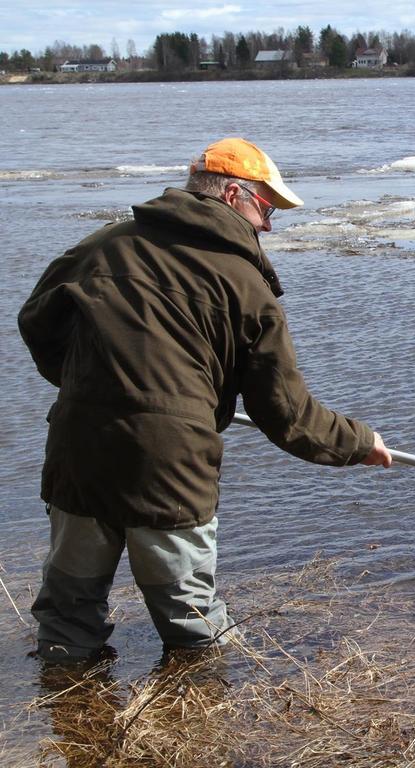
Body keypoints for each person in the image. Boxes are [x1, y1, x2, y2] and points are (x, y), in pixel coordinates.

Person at [18, 137, 392, 663]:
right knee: (192, 627)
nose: (269, 224)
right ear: (235, 194)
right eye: (267, 207)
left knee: (66, 618)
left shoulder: (103, 245)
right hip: (170, 465)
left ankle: (66, 720)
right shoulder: (245, 283)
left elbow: (36, 322)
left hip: (79, 448)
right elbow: (286, 416)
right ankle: (200, 724)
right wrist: (360, 442)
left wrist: (86, 382)